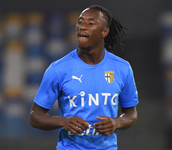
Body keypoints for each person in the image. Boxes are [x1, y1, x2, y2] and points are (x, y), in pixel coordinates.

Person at [29, 5, 139, 150]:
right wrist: (62, 121)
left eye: (91, 23)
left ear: (104, 32)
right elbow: (35, 116)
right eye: (80, 22)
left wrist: (116, 122)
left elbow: (131, 113)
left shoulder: (122, 68)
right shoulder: (58, 69)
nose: (82, 27)